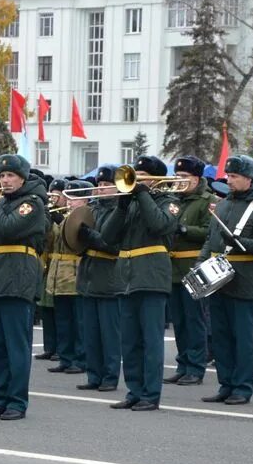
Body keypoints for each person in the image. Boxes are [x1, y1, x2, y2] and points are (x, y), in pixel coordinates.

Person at [197, 156, 253, 406]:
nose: (229, 181)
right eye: (228, 176)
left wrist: (242, 244)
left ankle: (243, 387)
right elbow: (210, 240)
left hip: (245, 280)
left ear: (248, 178)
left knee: (243, 337)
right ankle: (226, 384)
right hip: (218, 279)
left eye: (234, 177)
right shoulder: (222, 206)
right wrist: (200, 264)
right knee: (221, 335)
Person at [98, 155, 181, 411]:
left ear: (156, 180)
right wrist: (121, 206)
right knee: (130, 341)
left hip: (152, 277)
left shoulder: (170, 202)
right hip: (126, 278)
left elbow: (160, 225)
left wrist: (143, 195)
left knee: (151, 340)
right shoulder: (130, 204)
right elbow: (107, 237)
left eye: (142, 177)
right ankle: (134, 390)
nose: (136, 181)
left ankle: (150, 393)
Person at [0, 156, 48, 420]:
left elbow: (6, 226)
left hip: (17, 276)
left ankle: (17, 401)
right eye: (2, 175)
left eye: (10, 176)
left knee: (16, 345)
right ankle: (0, 398)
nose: (4, 180)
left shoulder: (33, 204)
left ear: (23, 178)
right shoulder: (2, 202)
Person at [164, 156, 215, 386]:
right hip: (173, 268)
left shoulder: (207, 201)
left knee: (194, 320)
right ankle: (183, 364)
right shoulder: (173, 200)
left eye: (184, 177)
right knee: (179, 321)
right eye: (177, 176)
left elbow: (210, 232)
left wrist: (184, 229)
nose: (179, 181)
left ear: (197, 178)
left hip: (194, 267)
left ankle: (196, 367)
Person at [75, 166, 122, 393]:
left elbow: (114, 246)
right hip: (89, 276)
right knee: (91, 333)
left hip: (109, 277)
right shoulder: (92, 209)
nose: (102, 189)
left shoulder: (121, 211)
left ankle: (110, 377)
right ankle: (94, 375)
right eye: (100, 185)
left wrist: (90, 236)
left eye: (106, 185)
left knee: (109, 334)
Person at [44, 179, 88, 374]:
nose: (70, 202)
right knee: (62, 320)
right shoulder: (61, 215)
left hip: (76, 272)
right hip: (58, 273)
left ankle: (80, 358)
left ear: (86, 200)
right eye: (68, 198)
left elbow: (78, 238)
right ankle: (65, 357)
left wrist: (62, 222)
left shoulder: (87, 216)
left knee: (78, 321)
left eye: (75, 199)